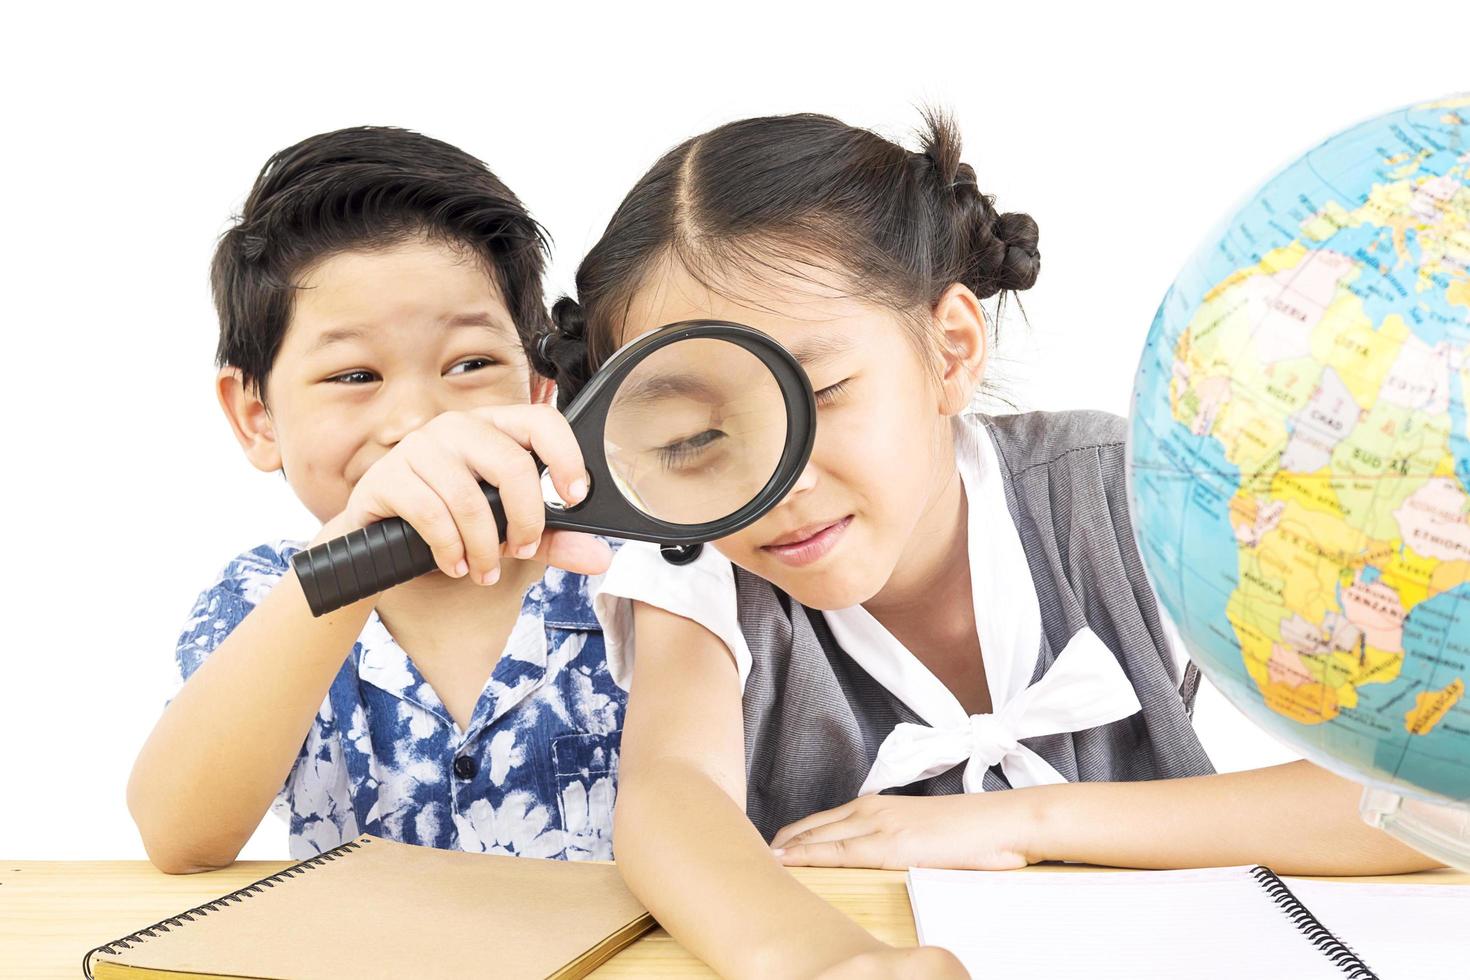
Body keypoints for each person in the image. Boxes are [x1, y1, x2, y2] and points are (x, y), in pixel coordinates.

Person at [532, 111, 1439, 977]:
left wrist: (1029, 822)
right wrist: (826, 962)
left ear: (952, 348)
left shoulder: (1122, 492)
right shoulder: (694, 554)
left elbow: (1415, 802)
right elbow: (672, 798)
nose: (781, 480)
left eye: (824, 392)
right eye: (694, 440)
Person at [128, 127, 621, 872]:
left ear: (542, 386)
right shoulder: (262, 597)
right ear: (255, 417)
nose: (419, 424)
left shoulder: (645, 576)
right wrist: (348, 560)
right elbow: (179, 838)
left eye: (472, 362)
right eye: (355, 375)